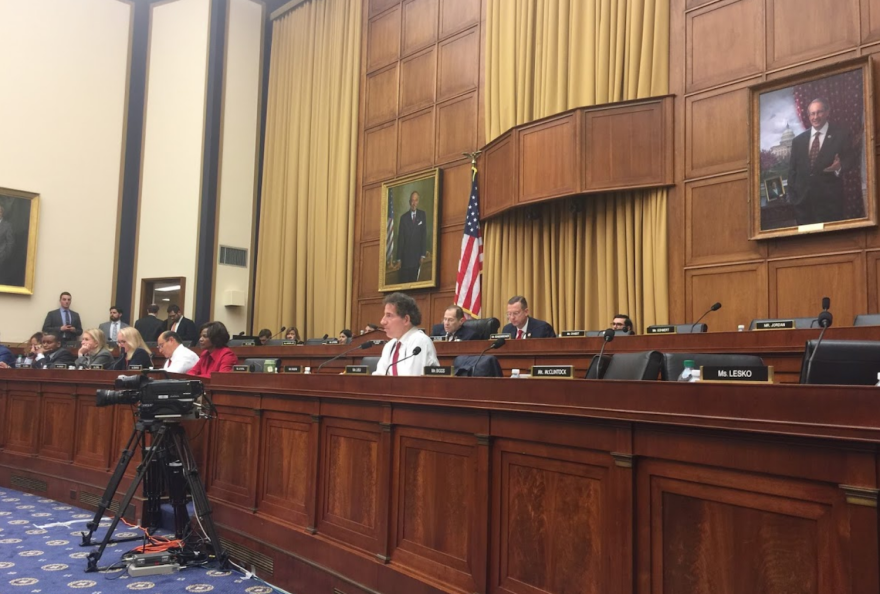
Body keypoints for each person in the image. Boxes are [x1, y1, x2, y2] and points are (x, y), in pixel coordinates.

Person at [787, 98, 856, 226]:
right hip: (803, 206)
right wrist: (793, 198)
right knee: (807, 244)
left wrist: (839, 166)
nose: (815, 117)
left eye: (819, 112)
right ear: (808, 116)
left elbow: (851, 159)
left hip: (830, 204)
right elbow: (792, 171)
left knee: (832, 242)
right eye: (812, 113)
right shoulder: (798, 141)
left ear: (827, 112)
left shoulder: (841, 134)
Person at [372, 292, 439, 376]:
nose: (382, 321)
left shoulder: (420, 341)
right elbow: (379, 377)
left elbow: (411, 381)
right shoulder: (390, 345)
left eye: (389, 315)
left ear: (406, 320)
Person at [395, 191, 427, 283]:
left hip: (417, 257)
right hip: (406, 259)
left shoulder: (422, 215)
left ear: (418, 201)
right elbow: (400, 239)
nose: (414, 203)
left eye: (416, 200)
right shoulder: (403, 218)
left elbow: (423, 236)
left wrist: (422, 255)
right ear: (409, 202)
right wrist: (399, 259)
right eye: (412, 201)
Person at [0, 204, 14, 284]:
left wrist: (5, 255)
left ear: (2, 213)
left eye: (0, 212)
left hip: (1, 256)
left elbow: (10, 242)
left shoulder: (7, 225)